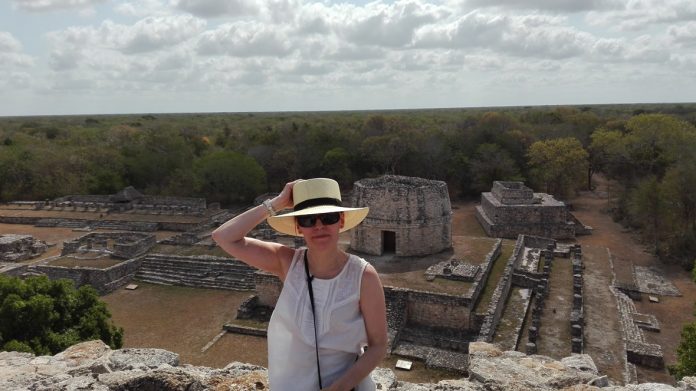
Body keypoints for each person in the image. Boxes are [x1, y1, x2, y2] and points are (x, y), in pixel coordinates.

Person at [212, 178, 387, 391]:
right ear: (298, 227)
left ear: (340, 221)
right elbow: (224, 237)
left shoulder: (363, 276)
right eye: (308, 220)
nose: (319, 226)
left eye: (328, 217)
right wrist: (276, 203)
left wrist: (339, 388)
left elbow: (378, 346)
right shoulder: (287, 262)